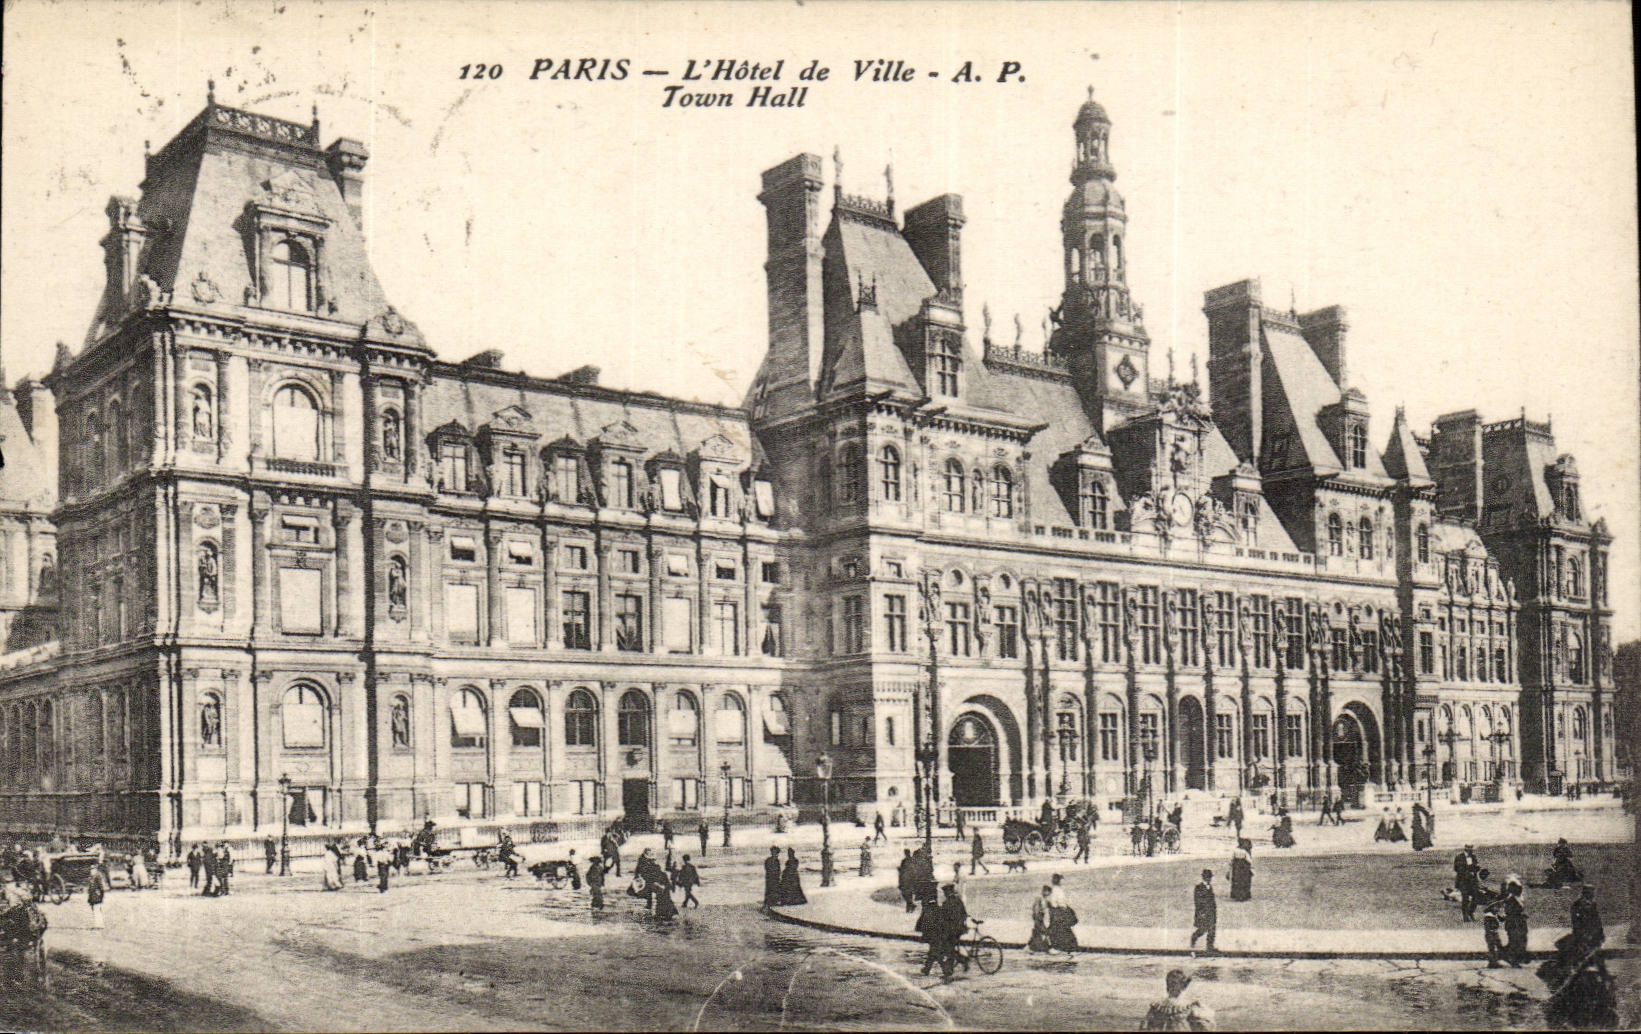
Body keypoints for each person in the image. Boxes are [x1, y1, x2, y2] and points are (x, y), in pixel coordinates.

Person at [1144, 968, 1217, 1031]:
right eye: (1170, 983)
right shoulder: (1157, 1006)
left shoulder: (1157, 1007)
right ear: (1184, 986)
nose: (1171, 986)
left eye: (1173, 984)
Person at [1500, 875, 1529, 966]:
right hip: (1514, 923)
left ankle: (1506, 955)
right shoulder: (1511, 899)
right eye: (1518, 888)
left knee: (1519, 940)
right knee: (1515, 942)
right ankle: (1513, 960)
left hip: (1518, 922)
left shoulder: (1517, 898)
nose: (1520, 890)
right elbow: (1510, 912)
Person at [1048, 872, 1078, 951]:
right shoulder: (1058, 890)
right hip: (1059, 911)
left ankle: (1058, 945)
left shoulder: (1054, 890)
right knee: (1063, 929)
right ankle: (1067, 946)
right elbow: (1061, 903)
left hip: (1055, 911)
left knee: (1057, 929)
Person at [1190, 869, 1217, 956]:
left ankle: (1210, 947)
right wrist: (1201, 913)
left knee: (1212, 930)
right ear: (1204, 878)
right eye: (1207, 877)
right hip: (1203, 913)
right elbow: (1198, 902)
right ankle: (1193, 939)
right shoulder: (1198, 887)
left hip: (1211, 912)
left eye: (1210, 877)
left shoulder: (1210, 887)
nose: (1209, 879)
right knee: (1202, 929)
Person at [1454, 845, 1481, 921]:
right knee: (1465, 899)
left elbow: (1476, 867)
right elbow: (1457, 869)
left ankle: (1470, 912)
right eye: (1469, 848)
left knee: (1476, 898)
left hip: (1473, 881)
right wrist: (1468, 873)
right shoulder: (1459, 857)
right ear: (1465, 848)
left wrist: (1476, 869)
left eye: (1471, 847)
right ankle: (1465, 917)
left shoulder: (1473, 857)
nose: (1471, 849)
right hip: (1463, 881)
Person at [1029, 885, 1055, 953]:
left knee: (1036, 933)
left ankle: (1029, 948)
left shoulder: (1044, 899)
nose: (1049, 894)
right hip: (1038, 918)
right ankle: (1050, 948)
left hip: (1040, 917)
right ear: (1044, 891)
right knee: (1045, 932)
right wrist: (1037, 917)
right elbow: (1036, 909)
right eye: (1048, 892)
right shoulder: (1039, 898)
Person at [898, 849, 916, 913]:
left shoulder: (910, 860)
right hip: (907, 879)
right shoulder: (906, 860)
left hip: (908, 879)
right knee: (907, 894)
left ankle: (909, 907)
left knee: (907, 893)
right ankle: (910, 906)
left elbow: (913, 870)